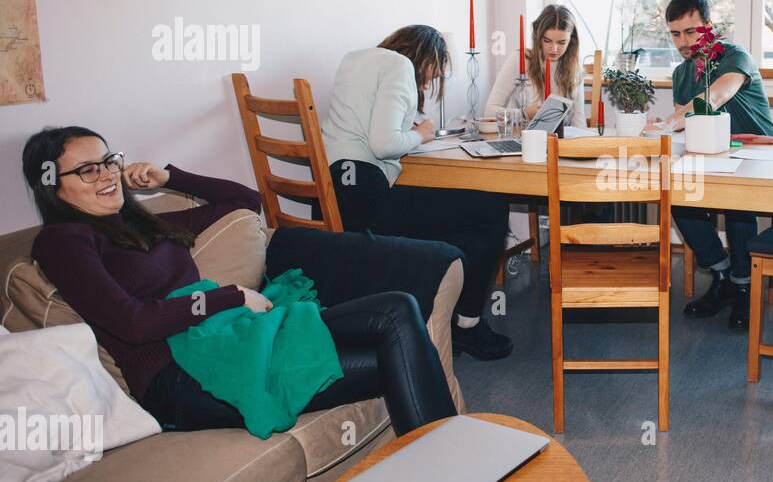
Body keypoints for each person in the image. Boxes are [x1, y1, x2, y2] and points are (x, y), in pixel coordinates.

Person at [23, 127, 457, 435]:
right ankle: (450, 478)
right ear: (51, 187)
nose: (107, 175)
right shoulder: (63, 241)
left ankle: (447, 475)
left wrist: (170, 178)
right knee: (399, 349)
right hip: (182, 375)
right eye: (87, 170)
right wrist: (229, 298)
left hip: (234, 339)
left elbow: (244, 202)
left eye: (108, 161)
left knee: (397, 313)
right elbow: (132, 322)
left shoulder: (143, 223)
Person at [321, 24, 512, 360]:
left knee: (467, 221)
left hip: (335, 191)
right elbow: (383, 145)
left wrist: (403, 129)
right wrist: (422, 134)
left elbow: (365, 128)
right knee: (490, 205)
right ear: (423, 57)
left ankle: (451, 313)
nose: (426, 83)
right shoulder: (400, 66)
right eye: (432, 73)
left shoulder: (354, 59)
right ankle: (467, 326)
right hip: (367, 200)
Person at [648, 0, 773, 330]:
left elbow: (715, 97)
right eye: (675, 34)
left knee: (737, 203)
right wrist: (660, 125)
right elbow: (684, 121)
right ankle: (720, 273)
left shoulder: (736, 56)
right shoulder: (682, 74)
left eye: (691, 31)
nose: (684, 42)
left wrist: (670, 122)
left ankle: (743, 285)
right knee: (675, 194)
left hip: (756, 152)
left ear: (710, 28)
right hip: (708, 154)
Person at [483, 4, 586, 128]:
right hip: (520, 140)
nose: (554, 49)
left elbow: (579, 118)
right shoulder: (520, 60)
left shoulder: (574, 68)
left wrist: (582, 144)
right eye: (547, 41)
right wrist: (524, 113)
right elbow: (488, 112)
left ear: (571, 41)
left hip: (558, 143)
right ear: (538, 37)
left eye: (561, 42)